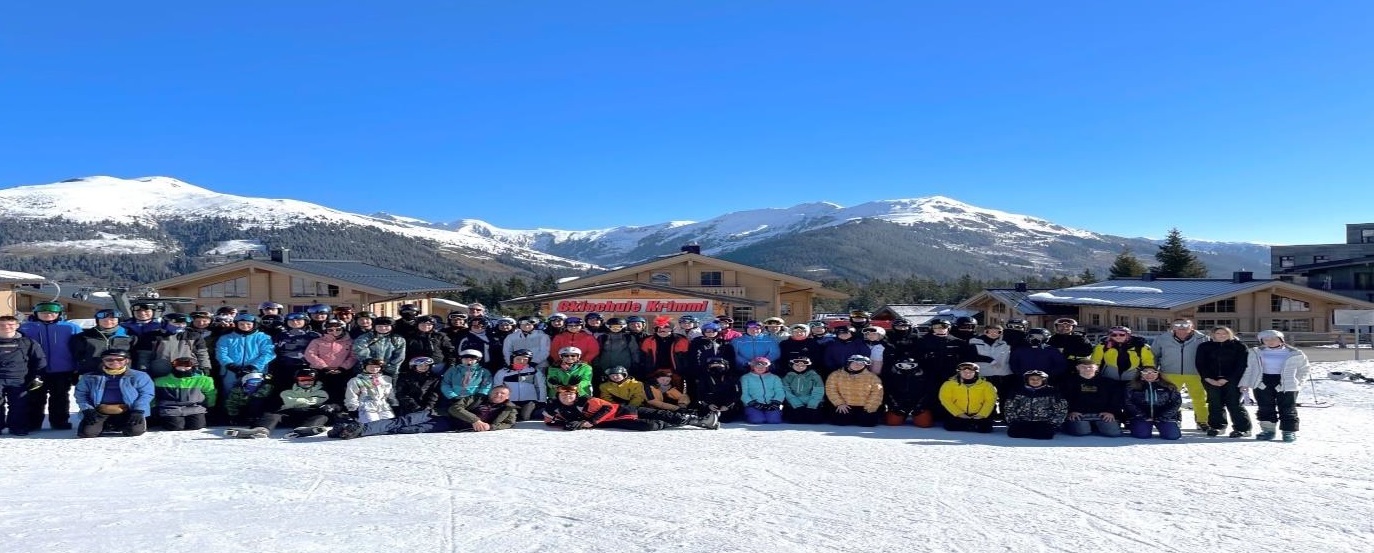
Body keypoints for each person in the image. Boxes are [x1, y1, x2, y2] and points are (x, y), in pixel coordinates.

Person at [329, 385, 520, 439]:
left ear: (507, 397)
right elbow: (455, 408)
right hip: (438, 414)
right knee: (402, 421)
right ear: (491, 392)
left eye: (502, 394)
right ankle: (358, 429)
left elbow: (508, 423)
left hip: (449, 425)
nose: (498, 395)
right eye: (496, 392)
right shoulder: (477, 398)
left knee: (408, 430)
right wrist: (475, 420)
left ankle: (353, 430)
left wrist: (490, 427)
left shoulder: (508, 409)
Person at [541, 385, 719, 431]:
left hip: (625, 410)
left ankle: (703, 420)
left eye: (571, 394)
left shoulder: (586, 401)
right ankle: (688, 421)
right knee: (650, 425)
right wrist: (564, 424)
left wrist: (590, 422)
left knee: (665, 414)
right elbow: (549, 420)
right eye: (564, 395)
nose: (568, 397)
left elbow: (608, 409)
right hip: (617, 421)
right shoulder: (555, 407)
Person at [18, 302, 80, 431]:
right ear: (36, 314)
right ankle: (33, 422)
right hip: (35, 370)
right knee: (35, 397)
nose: (48, 315)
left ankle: (59, 422)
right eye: (43, 313)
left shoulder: (70, 327)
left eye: (52, 313)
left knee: (60, 397)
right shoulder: (25, 328)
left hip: (62, 370)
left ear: (59, 314)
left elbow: (79, 349)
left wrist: (77, 368)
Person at [1241, 329, 1311, 442]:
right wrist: (1245, 383)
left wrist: (1298, 382)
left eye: (1273, 339)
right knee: (1265, 407)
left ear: (1281, 339)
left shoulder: (1295, 353)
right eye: (1266, 339)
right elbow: (1248, 369)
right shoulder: (1254, 352)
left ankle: (1288, 431)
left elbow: (1304, 369)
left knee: (1287, 408)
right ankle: (1268, 431)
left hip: (1287, 383)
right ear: (1261, 341)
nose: (1270, 341)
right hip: (1262, 382)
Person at [227, 368, 332, 438]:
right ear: (297, 380)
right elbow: (287, 403)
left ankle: (304, 429)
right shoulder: (287, 391)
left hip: (309, 415)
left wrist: (330, 407)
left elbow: (333, 405)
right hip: (289, 414)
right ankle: (261, 429)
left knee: (322, 417)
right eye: (303, 379)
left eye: (310, 379)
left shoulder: (322, 391)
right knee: (272, 415)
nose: (307, 382)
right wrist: (312, 402)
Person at [74, 349, 155, 438]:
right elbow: (81, 394)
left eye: (119, 359)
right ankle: (105, 425)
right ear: (103, 361)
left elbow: (146, 394)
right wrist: (87, 409)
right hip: (100, 410)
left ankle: (121, 425)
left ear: (127, 360)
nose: (114, 362)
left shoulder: (139, 376)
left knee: (135, 431)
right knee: (87, 433)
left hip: (129, 410)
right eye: (109, 359)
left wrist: (138, 410)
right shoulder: (90, 377)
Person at [1151, 318, 1210, 431]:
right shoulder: (1162, 338)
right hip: (1169, 372)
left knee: (1200, 398)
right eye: (1177, 325)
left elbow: (1210, 356)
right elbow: (1154, 355)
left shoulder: (1202, 338)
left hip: (1195, 373)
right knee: (1170, 399)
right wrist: (1153, 370)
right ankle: (1173, 418)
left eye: (1185, 325)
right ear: (1172, 327)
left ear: (1192, 327)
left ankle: (1202, 421)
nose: (1181, 328)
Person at [1195, 326, 1253, 438]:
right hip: (1211, 380)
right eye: (1218, 333)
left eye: (1225, 333)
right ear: (1213, 334)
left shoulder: (1239, 346)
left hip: (1233, 380)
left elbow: (1241, 365)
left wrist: (1227, 379)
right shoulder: (1204, 346)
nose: (1221, 335)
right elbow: (1200, 364)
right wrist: (1208, 378)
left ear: (1230, 334)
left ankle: (1243, 429)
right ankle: (1217, 426)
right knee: (1215, 403)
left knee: (1234, 403)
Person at [0, 315, 47, 435]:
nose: (6, 327)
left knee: (19, 404)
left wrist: (38, 376)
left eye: (10, 325)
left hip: (19, 379)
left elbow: (39, 360)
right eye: (2, 325)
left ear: (17, 326)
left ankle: (17, 427)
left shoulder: (28, 343)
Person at [214, 313, 276, 401]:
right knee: (229, 394)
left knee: (255, 395)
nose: (245, 326)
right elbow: (221, 354)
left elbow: (268, 353)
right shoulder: (226, 338)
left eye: (248, 324)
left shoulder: (263, 337)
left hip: (255, 371)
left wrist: (253, 366)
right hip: (231, 371)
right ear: (236, 324)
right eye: (241, 324)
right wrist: (232, 366)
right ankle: (229, 409)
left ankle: (254, 409)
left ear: (255, 324)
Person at [1060, 358, 1123, 437]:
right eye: (1083, 367)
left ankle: (1095, 426)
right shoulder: (1068, 382)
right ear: (1077, 368)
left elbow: (1115, 399)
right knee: (1081, 431)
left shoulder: (1108, 382)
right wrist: (1071, 412)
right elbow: (1063, 399)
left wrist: (1110, 412)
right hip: (1079, 415)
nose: (1087, 369)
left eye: (1090, 367)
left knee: (1113, 433)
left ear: (1096, 368)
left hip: (1102, 415)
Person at [151, 357, 217, 431]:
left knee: (197, 426)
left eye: (187, 365)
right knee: (175, 426)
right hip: (171, 408)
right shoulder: (161, 380)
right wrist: (153, 408)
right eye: (179, 365)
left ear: (193, 366)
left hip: (194, 407)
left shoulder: (203, 380)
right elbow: (153, 395)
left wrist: (210, 405)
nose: (183, 368)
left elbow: (210, 394)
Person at [1003, 370, 1068, 440]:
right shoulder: (1018, 391)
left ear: (1043, 380)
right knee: (1013, 433)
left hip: (1044, 422)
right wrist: (1013, 421)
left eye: (1038, 379)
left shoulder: (1052, 392)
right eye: (1032, 379)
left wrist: (1053, 424)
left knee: (1045, 435)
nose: (1035, 381)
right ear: (1027, 380)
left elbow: (1061, 409)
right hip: (1022, 421)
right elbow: (1009, 407)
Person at [145, 312, 213, 379]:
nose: (180, 325)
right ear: (166, 323)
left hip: (186, 368)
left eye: (183, 323)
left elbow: (202, 353)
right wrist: (144, 369)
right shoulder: (153, 336)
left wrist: (205, 367)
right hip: (162, 369)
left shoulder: (193, 336)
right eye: (176, 323)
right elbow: (145, 355)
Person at [71, 308, 136, 375]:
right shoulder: (84, 336)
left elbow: (134, 355)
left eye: (112, 319)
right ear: (97, 320)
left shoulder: (129, 335)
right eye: (104, 319)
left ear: (118, 320)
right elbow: (77, 355)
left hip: (122, 373)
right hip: (93, 373)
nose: (108, 321)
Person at [1124, 367, 1182, 440]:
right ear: (1140, 374)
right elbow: (1128, 402)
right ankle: (1135, 425)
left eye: (1153, 372)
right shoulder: (1132, 386)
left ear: (1158, 373)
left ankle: (1170, 425)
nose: (1149, 375)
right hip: (1141, 416)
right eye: (1145, 372)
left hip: (1163, 417)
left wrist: (1164, 416)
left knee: (1172, 436)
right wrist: (1142, 416)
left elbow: (1176, 402)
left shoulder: (1168, 386)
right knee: (1142, 435)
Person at [825, 354, 884, 427]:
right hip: (845, 405)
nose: (858, 365)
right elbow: (830, 389)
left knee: (868, 422)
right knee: (840, 421)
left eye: (861, 364)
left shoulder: (873, 377)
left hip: (864, 406)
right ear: (849, 363)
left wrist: (869, 407)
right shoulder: (836, 375)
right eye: (855, 363)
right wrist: (840, 403)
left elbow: (877, 393)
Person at [938, 362, 996, 433]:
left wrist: (982, 414)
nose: (967, 374)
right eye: (964, 372)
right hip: (958, 413)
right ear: (959, 372)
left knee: (985, 429)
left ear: (975, 373)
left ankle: (971, 425)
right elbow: (946, 400)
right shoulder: (948, 384)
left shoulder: (986, 385)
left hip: (978, 413)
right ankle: (970, 425)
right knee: (950, 426)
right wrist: (959, 414)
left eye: (971, 372)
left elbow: (990, 400)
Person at [969, 325, 1012, 416]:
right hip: (984, 374)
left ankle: (1004, 415)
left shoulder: (1006, 342)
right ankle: (989, 415)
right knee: (986, 397)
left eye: (998, 332)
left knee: (1004, 396)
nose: (994, 334)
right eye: (990, 331)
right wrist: (990, 360)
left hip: (1003, 373)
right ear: (985, 331)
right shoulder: (975, 341)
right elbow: (972, 355)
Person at [492, 349, 546, 421]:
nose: (521, 361)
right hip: (510, 401)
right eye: (518, 359)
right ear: (512, 359)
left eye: (525, 360)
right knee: (511, 418)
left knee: (525, 418)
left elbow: (541, 386)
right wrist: (499, 401)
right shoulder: (502, 372)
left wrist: (542, 401)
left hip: (529, 401)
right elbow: (497, 387)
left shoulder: (534, 371)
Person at [882, 358, 935, 428]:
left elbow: (928, 393)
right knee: (892, 422)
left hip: (918, 404)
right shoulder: (893, 377)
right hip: (899, 404)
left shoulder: (924, 377)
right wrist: (895, 406)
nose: (906, 368)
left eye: (909, 365)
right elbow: (888, 393)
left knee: (924, 423)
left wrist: (920, 406)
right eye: (902, 365)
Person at [345, 358, 397, 424]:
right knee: (372, 424)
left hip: (384, 406)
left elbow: (391, 394)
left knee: (389, 424)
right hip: (366, 407)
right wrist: (352, 409)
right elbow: (351, 395)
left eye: (377, 367)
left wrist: (394, 404)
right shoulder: (357, 380)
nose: (374, 369)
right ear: (364, 367)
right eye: (371, 366)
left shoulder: (386, 379)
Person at [695, 357, 742, 424]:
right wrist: (708, 404)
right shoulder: (705, 378)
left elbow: (737, 393)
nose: (716, 368)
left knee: (726, 419)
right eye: (713, 366)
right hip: (711, 404)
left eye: (719, 366)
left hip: (727, 405)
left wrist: (727, 405)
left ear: (725, 366)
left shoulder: (732, 377)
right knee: (704, 414)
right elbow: (700, 393)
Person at [740, 357, 786, 424]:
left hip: (770, 404)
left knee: (774, 421)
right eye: (757, 366)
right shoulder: (746, 378)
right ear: (753, 367)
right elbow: (744, 393)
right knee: (757, 420)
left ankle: (776, 412)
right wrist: (753, 403)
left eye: (763, 366)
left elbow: (780, 391)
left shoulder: (774, 378)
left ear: (767, 367)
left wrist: (775, 403)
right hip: (754, 405)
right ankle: (749, 414)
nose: (760, 368)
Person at [781, 357, 825, 424]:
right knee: (795, 420)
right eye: (797, 365)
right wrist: (796, 404)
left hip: (811, 402)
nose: (800, 367)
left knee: (815, 420)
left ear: (807, 366)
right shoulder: (788, 377)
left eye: (803, 366)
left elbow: (818, 391)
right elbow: (787, 392)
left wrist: (812, 405)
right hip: (794, 402)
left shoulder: (814, 376)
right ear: (792, 365)